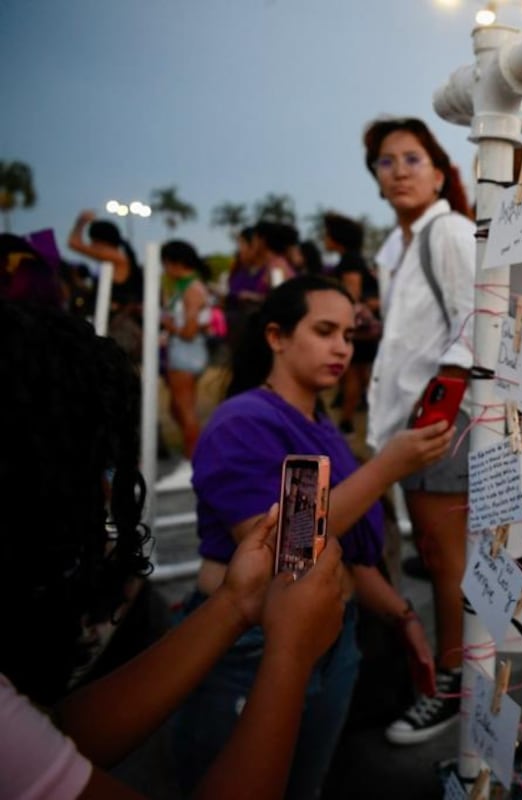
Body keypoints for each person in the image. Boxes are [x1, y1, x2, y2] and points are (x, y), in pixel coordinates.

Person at [0, 298, 349, 800]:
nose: (106, 494)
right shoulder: (241, 419)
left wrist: (236, 603)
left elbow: (51, 737)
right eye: (89, 466)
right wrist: (289, 654)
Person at [170, 275, 452, 797]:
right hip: (250, 643)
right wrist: (388, 467)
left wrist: (401, 615)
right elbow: (278, 545)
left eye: (348, 335)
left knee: (304, 785)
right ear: (276, 337)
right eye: (324, 331)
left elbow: (344, 552)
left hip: (332, 637)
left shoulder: (319, 422)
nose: (341, 348)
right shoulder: (242, 421)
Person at [362, 116, 477, 745]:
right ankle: (456, 669)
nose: (400, 170)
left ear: (438, 170)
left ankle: (456, 683)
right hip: (414, 420)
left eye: (413, 158)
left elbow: (479, 317)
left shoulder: (450, 232)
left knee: (446, 559)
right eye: (386, 161)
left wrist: (434, 412)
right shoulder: (400, 247)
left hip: (439, 420)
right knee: (436, 555)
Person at [325, 212, 381, 434]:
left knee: (352, 376)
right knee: (361, 375)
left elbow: (352, 293)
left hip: (358, 331)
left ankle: (346, 421)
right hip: (365, 330)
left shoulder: (349, 260)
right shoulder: (357, 258)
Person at [159, 239, 212, 470]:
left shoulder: (191, 289)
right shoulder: (190, 286)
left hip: (185, 350)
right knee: (177, 406)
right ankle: (193, 454)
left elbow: (189, 331)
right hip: (189, 350)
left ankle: (193, 461)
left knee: (185, 408)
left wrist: (168, 326)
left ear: (175, 263)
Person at [67, 209, 143, 359]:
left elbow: (73, 243)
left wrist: (81, 222)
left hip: (116, 325)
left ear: (101, 241)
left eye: (93, 242)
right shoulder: (120, 257)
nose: (91, 246)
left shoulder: (115, 256)